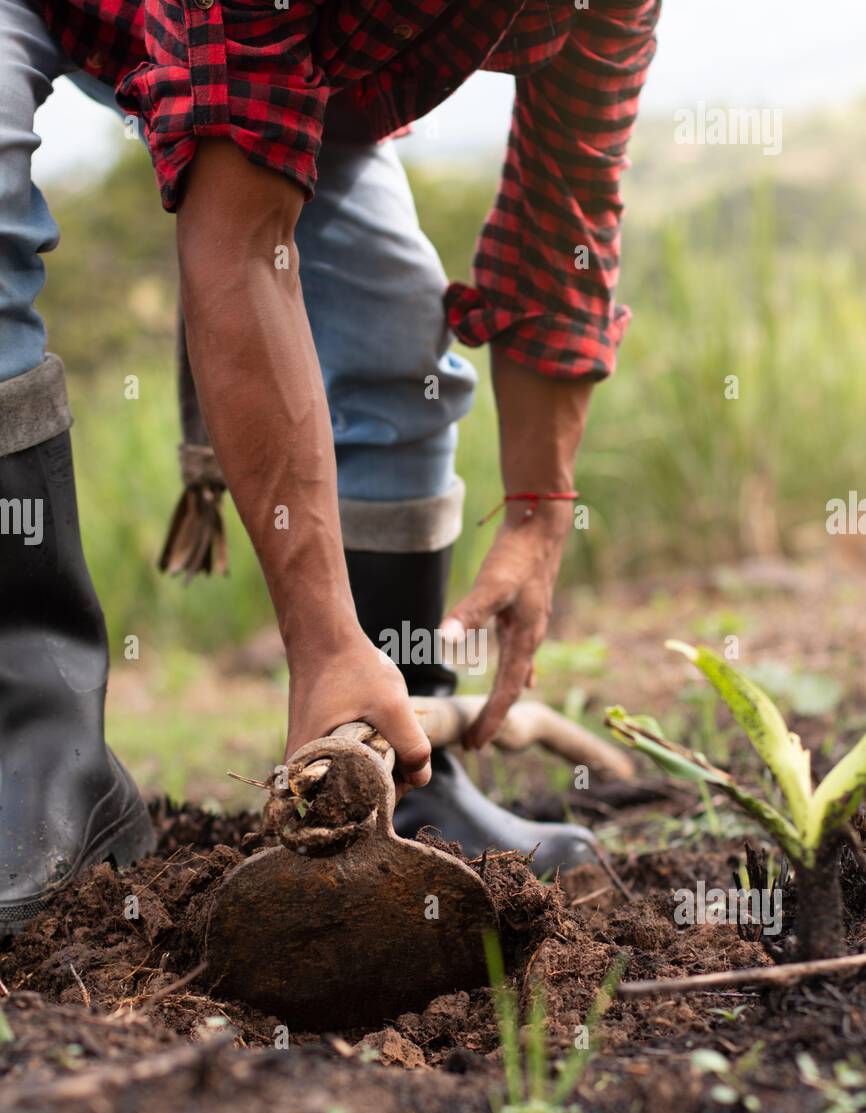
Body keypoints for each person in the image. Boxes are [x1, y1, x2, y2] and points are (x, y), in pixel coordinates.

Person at [0, 0, 659, 924]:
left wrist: (539, 515)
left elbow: (566, 221)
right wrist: (321, 642)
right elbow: (241, 239)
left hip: (273, 55)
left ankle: (400, 762)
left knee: (396, 329)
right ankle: (35, 772)